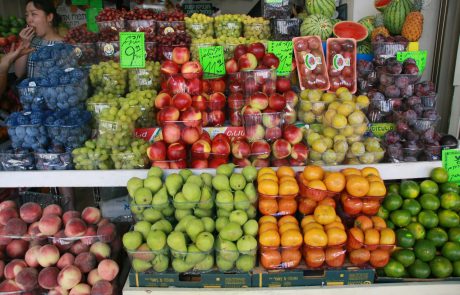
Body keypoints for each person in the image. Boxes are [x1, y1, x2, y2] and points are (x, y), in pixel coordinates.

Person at [15, 0, 64, 79]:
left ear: (49, 17)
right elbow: (19, 73)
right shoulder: (32, 41)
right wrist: (24, 44)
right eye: (27, 15)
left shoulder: (64, 45)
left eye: (33, 14)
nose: (29, 20)